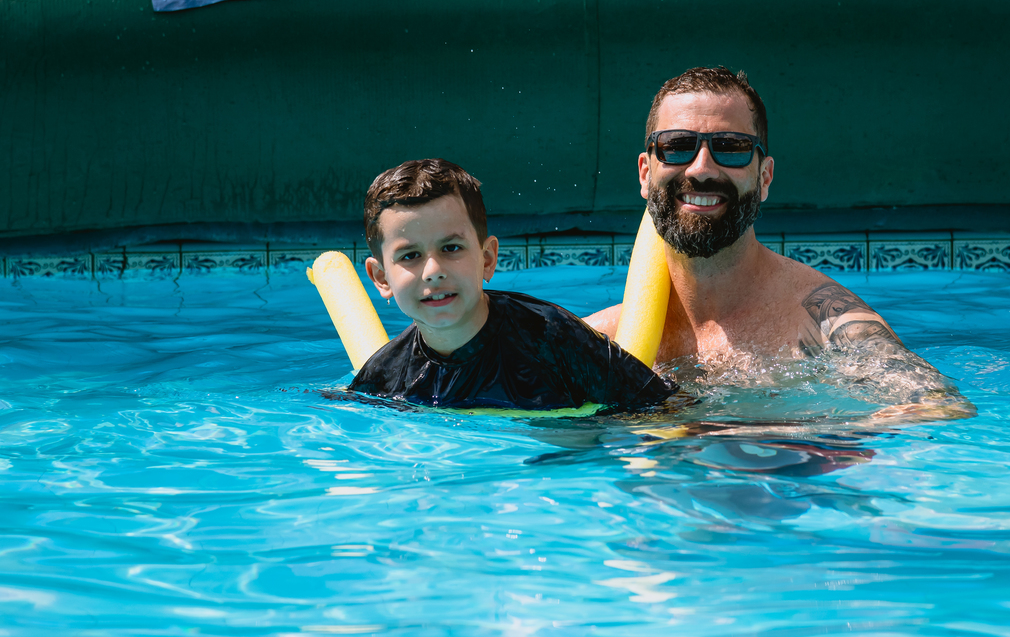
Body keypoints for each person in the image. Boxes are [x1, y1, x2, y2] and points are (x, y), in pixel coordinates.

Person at [584, 66, 973, 421]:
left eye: (731, 147)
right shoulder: (598, 344)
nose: (701, 169)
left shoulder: (828, 325)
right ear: (645, 173)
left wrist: (791, 440)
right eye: (677, 145)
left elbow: (942, 408)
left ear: (765, 177)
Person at [350, 158, 677, 412]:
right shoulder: (381, 379)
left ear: (488, 258)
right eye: (410, 256)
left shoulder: (553, 339)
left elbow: (659, 407)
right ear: (381, 277)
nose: (433, 271)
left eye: (451, 248)